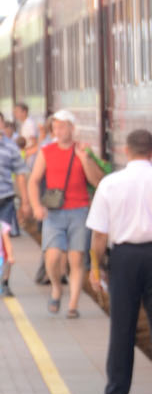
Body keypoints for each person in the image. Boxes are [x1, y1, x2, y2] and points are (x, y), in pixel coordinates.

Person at [85, 128, 152, 394]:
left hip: (124, 258)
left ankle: (116, 392)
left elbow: (98, 236)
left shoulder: (109, 184)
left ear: (126, 151)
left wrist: (97, 267)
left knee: (122, 325)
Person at [27, 110, 101, 316]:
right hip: (54, 213)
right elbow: (33, 180)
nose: (57, 131)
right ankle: (57, 287)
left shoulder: (83, 150)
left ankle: (73, 305)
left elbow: (96, 182)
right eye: (54, 127)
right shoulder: (46, 151)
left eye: (61, 127)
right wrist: (35, 206)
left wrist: (85, 159)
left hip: (80, 211)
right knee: (52, 256)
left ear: (72, 128)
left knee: (76, 259)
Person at [0, 122, 26, 295]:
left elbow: (20, 174)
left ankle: (5, 282)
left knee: (5, 237)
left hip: (6, 200)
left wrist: (25, 202)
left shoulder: (10, 147)